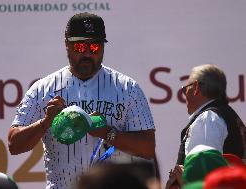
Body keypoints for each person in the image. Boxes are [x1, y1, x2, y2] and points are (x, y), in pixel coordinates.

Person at [8, 12, 156, 189]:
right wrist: (45, 122)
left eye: (93, 47)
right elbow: (14, 145)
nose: (86, 53)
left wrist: (107, 133)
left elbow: (148, 148)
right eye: (79, 47)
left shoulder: (127, 88)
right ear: (67, 45)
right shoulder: (42, 89)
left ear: (102, 47)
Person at [166, 64, 245, 188]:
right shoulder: (229, 116)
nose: (184, 94)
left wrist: (185, 184)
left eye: (184, 89)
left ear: (196, 87)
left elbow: (203, 171)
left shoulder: (208, 119)